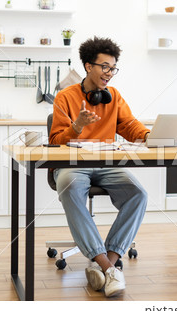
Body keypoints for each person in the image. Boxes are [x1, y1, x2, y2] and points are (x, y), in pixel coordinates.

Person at [49, 36, 150, 297]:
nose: (109, 73)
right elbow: (55, 141)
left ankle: (105, 264)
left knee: (138, 195)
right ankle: (109, 266)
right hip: (72, 165)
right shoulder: (65, 97)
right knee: (69, 188)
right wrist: (77, 126)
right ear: (88, 66)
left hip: (106, 164)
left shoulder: (113, 96)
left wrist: (149, 136)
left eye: (113, 68)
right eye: (104, 67)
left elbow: (129, 126)